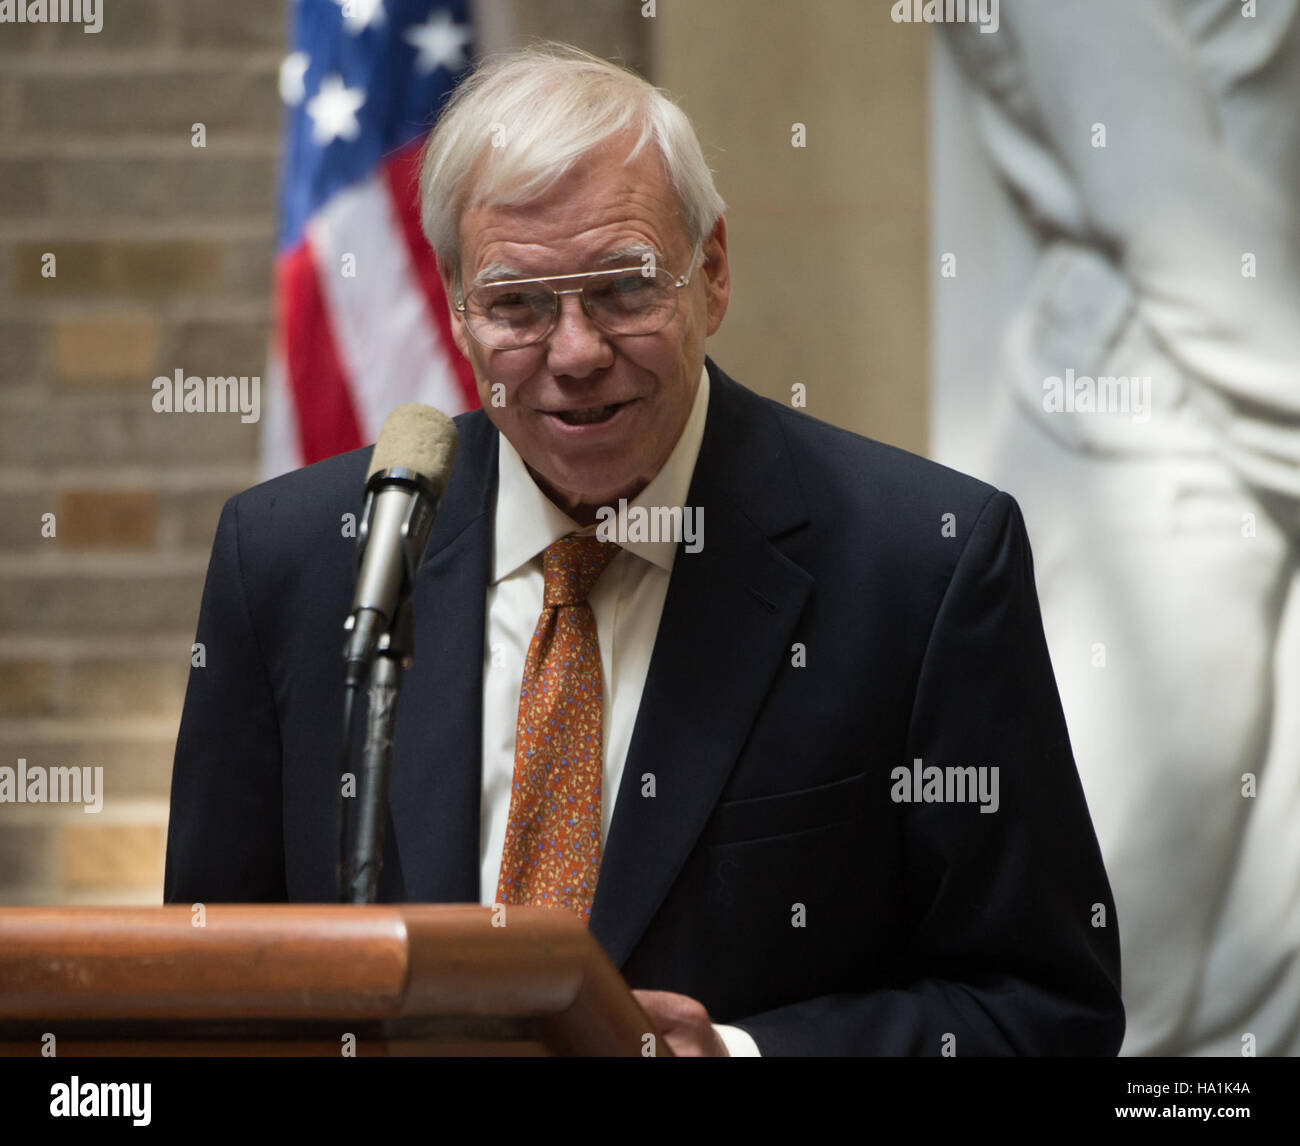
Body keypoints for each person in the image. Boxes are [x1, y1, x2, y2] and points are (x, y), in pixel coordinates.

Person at [164, 42, 1123, 1057]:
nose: (574, 354)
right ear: (456, 306)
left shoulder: (920, 567)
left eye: (622, 289)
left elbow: (1041, 1011)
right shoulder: (299, 566)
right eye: (518, 304)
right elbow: (208, 991)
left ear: (709, 272)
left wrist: (740, 1058)